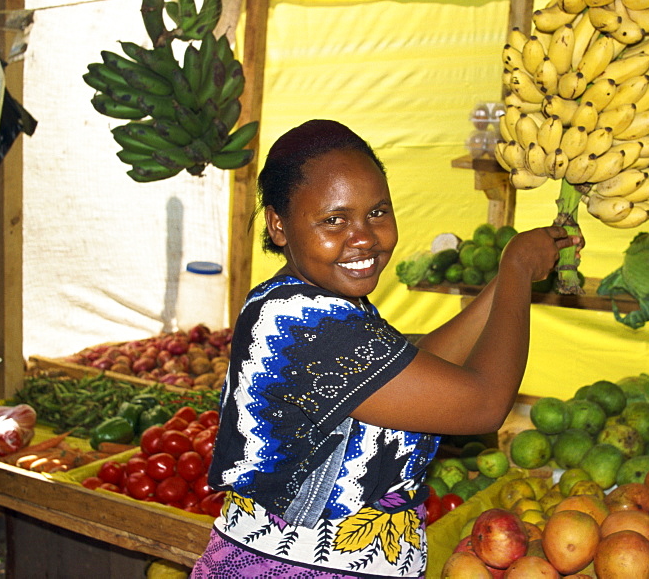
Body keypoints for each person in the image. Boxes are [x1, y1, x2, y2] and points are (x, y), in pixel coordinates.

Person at [191, 119, 577, 578]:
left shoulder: (306, 302)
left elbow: (417, 372)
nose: (364, 237)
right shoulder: (306, 325)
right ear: (278, 225)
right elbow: (485, 404)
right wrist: (515, 269)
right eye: (334, 220)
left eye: (377, 212)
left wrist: (505, 282)